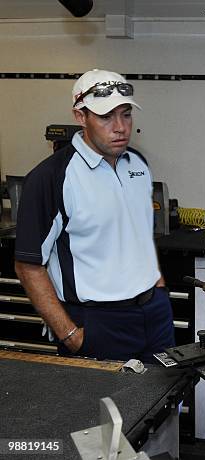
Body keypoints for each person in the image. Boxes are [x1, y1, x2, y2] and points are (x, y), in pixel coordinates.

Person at [14, 69, 175, 364]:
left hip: (154, 314)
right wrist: (70, 335)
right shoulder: (50, 178)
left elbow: (139, 234)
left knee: (164, 403)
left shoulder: (137, 164)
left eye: (126, 115)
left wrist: (158, 287)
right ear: (80, 116)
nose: (120, 127)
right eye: (106, 117)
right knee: (104, 411)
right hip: (97, 323)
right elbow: (28, 265)